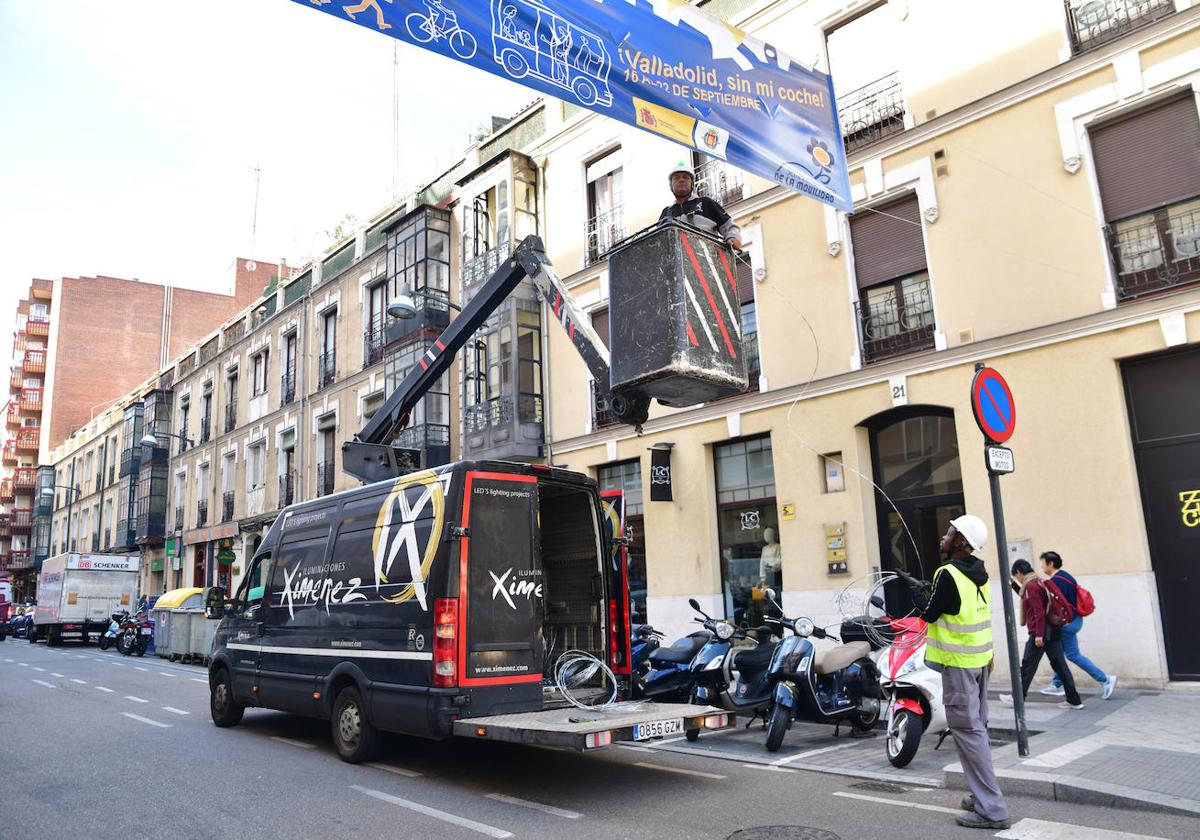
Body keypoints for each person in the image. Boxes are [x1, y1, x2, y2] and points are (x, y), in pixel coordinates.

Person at [917, 514, 1009, 830]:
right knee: (976, 730)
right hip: (980, 662)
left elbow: (929, 613)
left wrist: (917, 593)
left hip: (959, 666)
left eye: (949, 532)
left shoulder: (948, 573)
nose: (943, 535)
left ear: (959, 541)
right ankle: (979, 795)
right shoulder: (977, 572)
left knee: (969, 733)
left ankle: (992, 809)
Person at [1003, 559, 1084, 710]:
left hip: (1041, 633)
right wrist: (1012, 584)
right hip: (1052, 631)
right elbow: (1025, 596)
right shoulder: (1036, 581)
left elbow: (1039, 613)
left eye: (1016, 577)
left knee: (1027, 666)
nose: (1017, 579)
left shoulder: (1032, 586)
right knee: (1060, 666)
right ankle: (1074, 700)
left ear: (1020, 573)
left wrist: (1039, 635)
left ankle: (1017, 698)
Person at [1037, 551, 1117, 700]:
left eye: (1043, 564)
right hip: (1074, 620)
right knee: (1060, 653)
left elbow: (1054, 605)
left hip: (1067, 623)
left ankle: (1105, 679)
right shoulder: (1066, 576)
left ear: (1050, 564)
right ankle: (1057, 684)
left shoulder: (1057, 581)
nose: (1042, 567)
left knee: (1071, 655)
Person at [659, 164, 743, 249]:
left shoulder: (706, 203)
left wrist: (733, 237)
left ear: (692, 183)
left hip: (706, 259)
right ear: (671, 185)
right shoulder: (666, 213)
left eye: (685, 177)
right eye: (677, 178)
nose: (681, 180)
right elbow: (657, 241)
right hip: (674, 261)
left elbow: (729, 226)